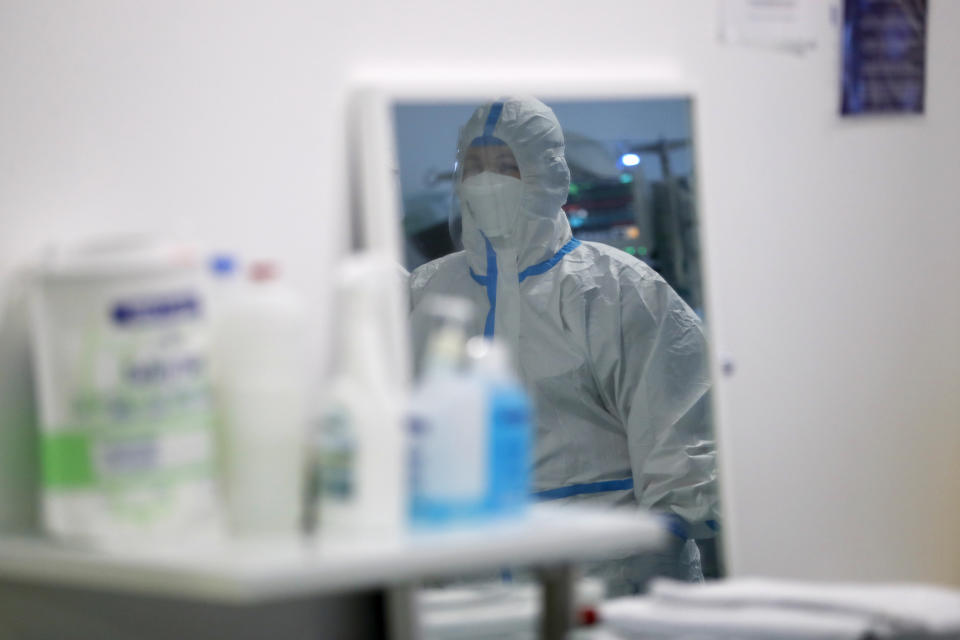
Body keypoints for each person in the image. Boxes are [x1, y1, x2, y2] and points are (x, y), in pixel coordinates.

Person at [408, 96, 719, 594]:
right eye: (475, 164)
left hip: (604, 582)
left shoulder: (614, 288)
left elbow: (681, 446)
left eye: (507, 164)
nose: (488, 181)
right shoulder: (429, 293)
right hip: (472, 589)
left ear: (546, 174)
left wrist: (651, 567)